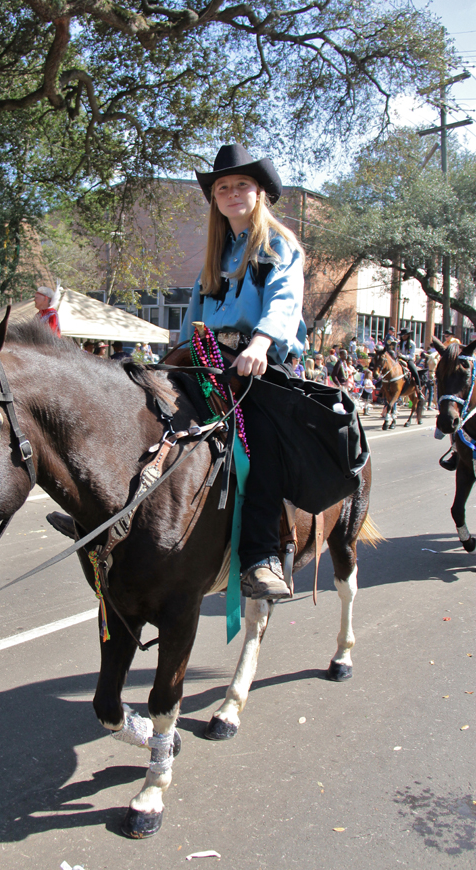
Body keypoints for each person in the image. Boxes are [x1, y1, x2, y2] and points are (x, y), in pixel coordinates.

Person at [179, 142, 306, 602]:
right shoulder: (213, 258)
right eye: (223, 187)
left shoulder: (278, 244)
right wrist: (172, 359)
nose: (232, 192)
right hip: (207, 360)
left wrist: (260, 342)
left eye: (242, 185)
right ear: (215, 197)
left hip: (260, 360)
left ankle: (259, 558)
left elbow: (284, 302)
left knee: (263, 443)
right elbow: (191, 318)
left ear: (259, 193)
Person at [397, 328, 422, 397]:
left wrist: (402, 356)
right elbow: (396, 351)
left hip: (408, 360)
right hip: (398, 359)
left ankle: (419, 388)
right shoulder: (398, 343)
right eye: (402, 335)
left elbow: (411, 355)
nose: (403, 337)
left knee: (414, 371)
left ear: (408, 335)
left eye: (404, 335)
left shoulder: (412, 343)